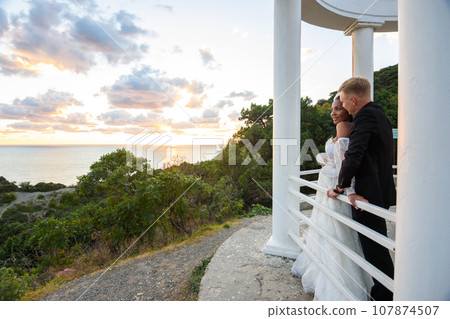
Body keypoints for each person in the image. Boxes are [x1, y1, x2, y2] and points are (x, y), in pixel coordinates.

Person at [291, 93, 373, 301]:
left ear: (347, 108)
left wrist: (346, 189)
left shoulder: (343, 127)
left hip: (332, 188)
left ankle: (337, 287)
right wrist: (325, 160)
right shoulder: (348, 127)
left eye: (338, 108)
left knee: (333, 231)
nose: (333, 113)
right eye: (332, 109)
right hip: (327, 186)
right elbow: (339, 159)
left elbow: (346, 164)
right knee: (332, 229)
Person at [327, 76, 396, 301]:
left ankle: (384, 297)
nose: (344, 106)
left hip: (367, 194)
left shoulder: (365, 117)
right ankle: (384, 290)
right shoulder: (379, 114)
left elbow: (355, 155)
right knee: (376, 243)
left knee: (374, 248)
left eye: (345, 102)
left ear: (354, 100)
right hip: (379, 189)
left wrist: (340, 187)